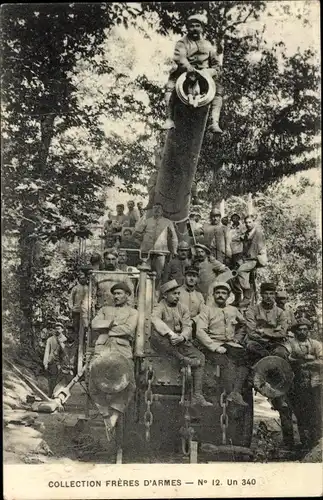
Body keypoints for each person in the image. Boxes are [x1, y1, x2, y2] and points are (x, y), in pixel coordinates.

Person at [151, 280, 212, 407]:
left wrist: (183, 337)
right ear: (165, 295)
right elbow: (155, 319)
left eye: (178, 293)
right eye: (174, 294)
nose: (177, 296)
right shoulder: (160, 306)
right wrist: (170, 334)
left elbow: (187, 325)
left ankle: (197, 395)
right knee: (157, 336)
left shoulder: (183, 308)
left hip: (179, 342)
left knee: (200, 357)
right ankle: (182, 359)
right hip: (165, 341)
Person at [89, 282, 138, 440]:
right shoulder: (104, 309)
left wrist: (106, 327)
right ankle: (104, 414)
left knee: (129, 384)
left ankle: (114, 416)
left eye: (120, 293)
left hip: (122, 350)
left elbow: (128, 329)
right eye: (114, 293)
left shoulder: (133, 312)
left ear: (127, 295)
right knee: (92, 379)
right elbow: (94, 324)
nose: (116, 296)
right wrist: (114, 324)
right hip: (102, 348)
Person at [163, 13, 223, 134]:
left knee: (218, 91)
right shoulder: (182, 43)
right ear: (187, 28)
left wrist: (209, 72)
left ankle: (214, 122)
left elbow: (217, 65)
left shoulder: (208, 45)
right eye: (191, 26)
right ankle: (169, 118)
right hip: (184, 73)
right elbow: (180, 59)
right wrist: (189, 68)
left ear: (202, 28)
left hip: (204, 75)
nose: (194, 29)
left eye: (197, 26)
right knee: (170, 87)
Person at [195, 282, 249, 406]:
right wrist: (214, 347)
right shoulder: (207, 310)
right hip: (212, 345)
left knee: (245, 358)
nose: (220, 295)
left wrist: (237, 337)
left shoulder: (233, 310)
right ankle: (229, 392)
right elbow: (200, 331)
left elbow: (244, 324)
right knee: (226, 362)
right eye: (218, 293)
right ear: (213, 295)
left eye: (224, 293)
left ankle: (236, 393)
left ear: (228, 295)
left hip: (229, 343)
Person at [287, 317, 322, 449]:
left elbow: (322, 362)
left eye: (305, 329)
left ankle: (317, 441)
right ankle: (305, 443)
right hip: (298, 385)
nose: (302, 332)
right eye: (299, 330)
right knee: (301, 414)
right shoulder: (290, 344)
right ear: (295, 331)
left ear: (309, 331)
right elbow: (288, 360)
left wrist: (307, 361)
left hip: (315, 384)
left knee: (317, 412)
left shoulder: (316, 344)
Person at [133, 202, 178, 287]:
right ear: (152, 210)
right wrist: (143, 239)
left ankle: (155, 291)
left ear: (162, 211)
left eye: (159, 208)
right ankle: (144, 291)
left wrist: (174, 250)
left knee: (158, 273)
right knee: (144, 271)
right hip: (147, 252)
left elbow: (174, 237)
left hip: (161, 251)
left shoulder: (168, 222)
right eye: (155, 208)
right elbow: (136, 233)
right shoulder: (147, 221)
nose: (157, 210)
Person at [234, 214, 267, 308]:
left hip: (255, 259)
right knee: (234, 273)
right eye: (246, 223)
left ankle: (247, 297)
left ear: (254, 222)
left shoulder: (258, 234)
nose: (248, 224)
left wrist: (245, 260)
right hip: (247, 259)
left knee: (241, 270)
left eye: (250, 222)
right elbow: (241, 243)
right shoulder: (247, 233)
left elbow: (255, 250)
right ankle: (240, 297)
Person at [43, 323, 65, 397]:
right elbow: (47, 351)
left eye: (59, 328)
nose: (57, 330)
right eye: (56, 329)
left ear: (62, 329)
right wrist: (45, 362)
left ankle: (58, 396)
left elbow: (67, 352)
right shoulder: (50, 339)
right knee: (51, 380)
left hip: (62, 363)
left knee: (60, 381)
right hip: (52, 362)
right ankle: (50, 395)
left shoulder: (65, 339)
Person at [68, 270, 89, 336]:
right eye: (81, 278)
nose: (83, 280)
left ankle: (84, 339)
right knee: (76, 325)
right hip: (76, 309)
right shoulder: (75, 288)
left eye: (84, 278)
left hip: (86, 310)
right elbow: (71, 298)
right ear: (79, 279)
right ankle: (76, 338)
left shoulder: (88, 288)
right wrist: (71, 307)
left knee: (86, 325)